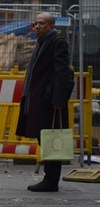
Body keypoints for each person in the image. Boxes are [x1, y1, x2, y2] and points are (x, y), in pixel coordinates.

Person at [16, 12, 74, 192]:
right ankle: (50, 179)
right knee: (45, 138)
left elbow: (62, 73)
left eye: (42, 23)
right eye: (36, 23)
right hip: (39, 99)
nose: (37, 26)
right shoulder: (42, 43)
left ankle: (51, 180)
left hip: (49, 101)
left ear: (51, 26)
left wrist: (57, 100)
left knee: (50, 139)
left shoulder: (57, 43)